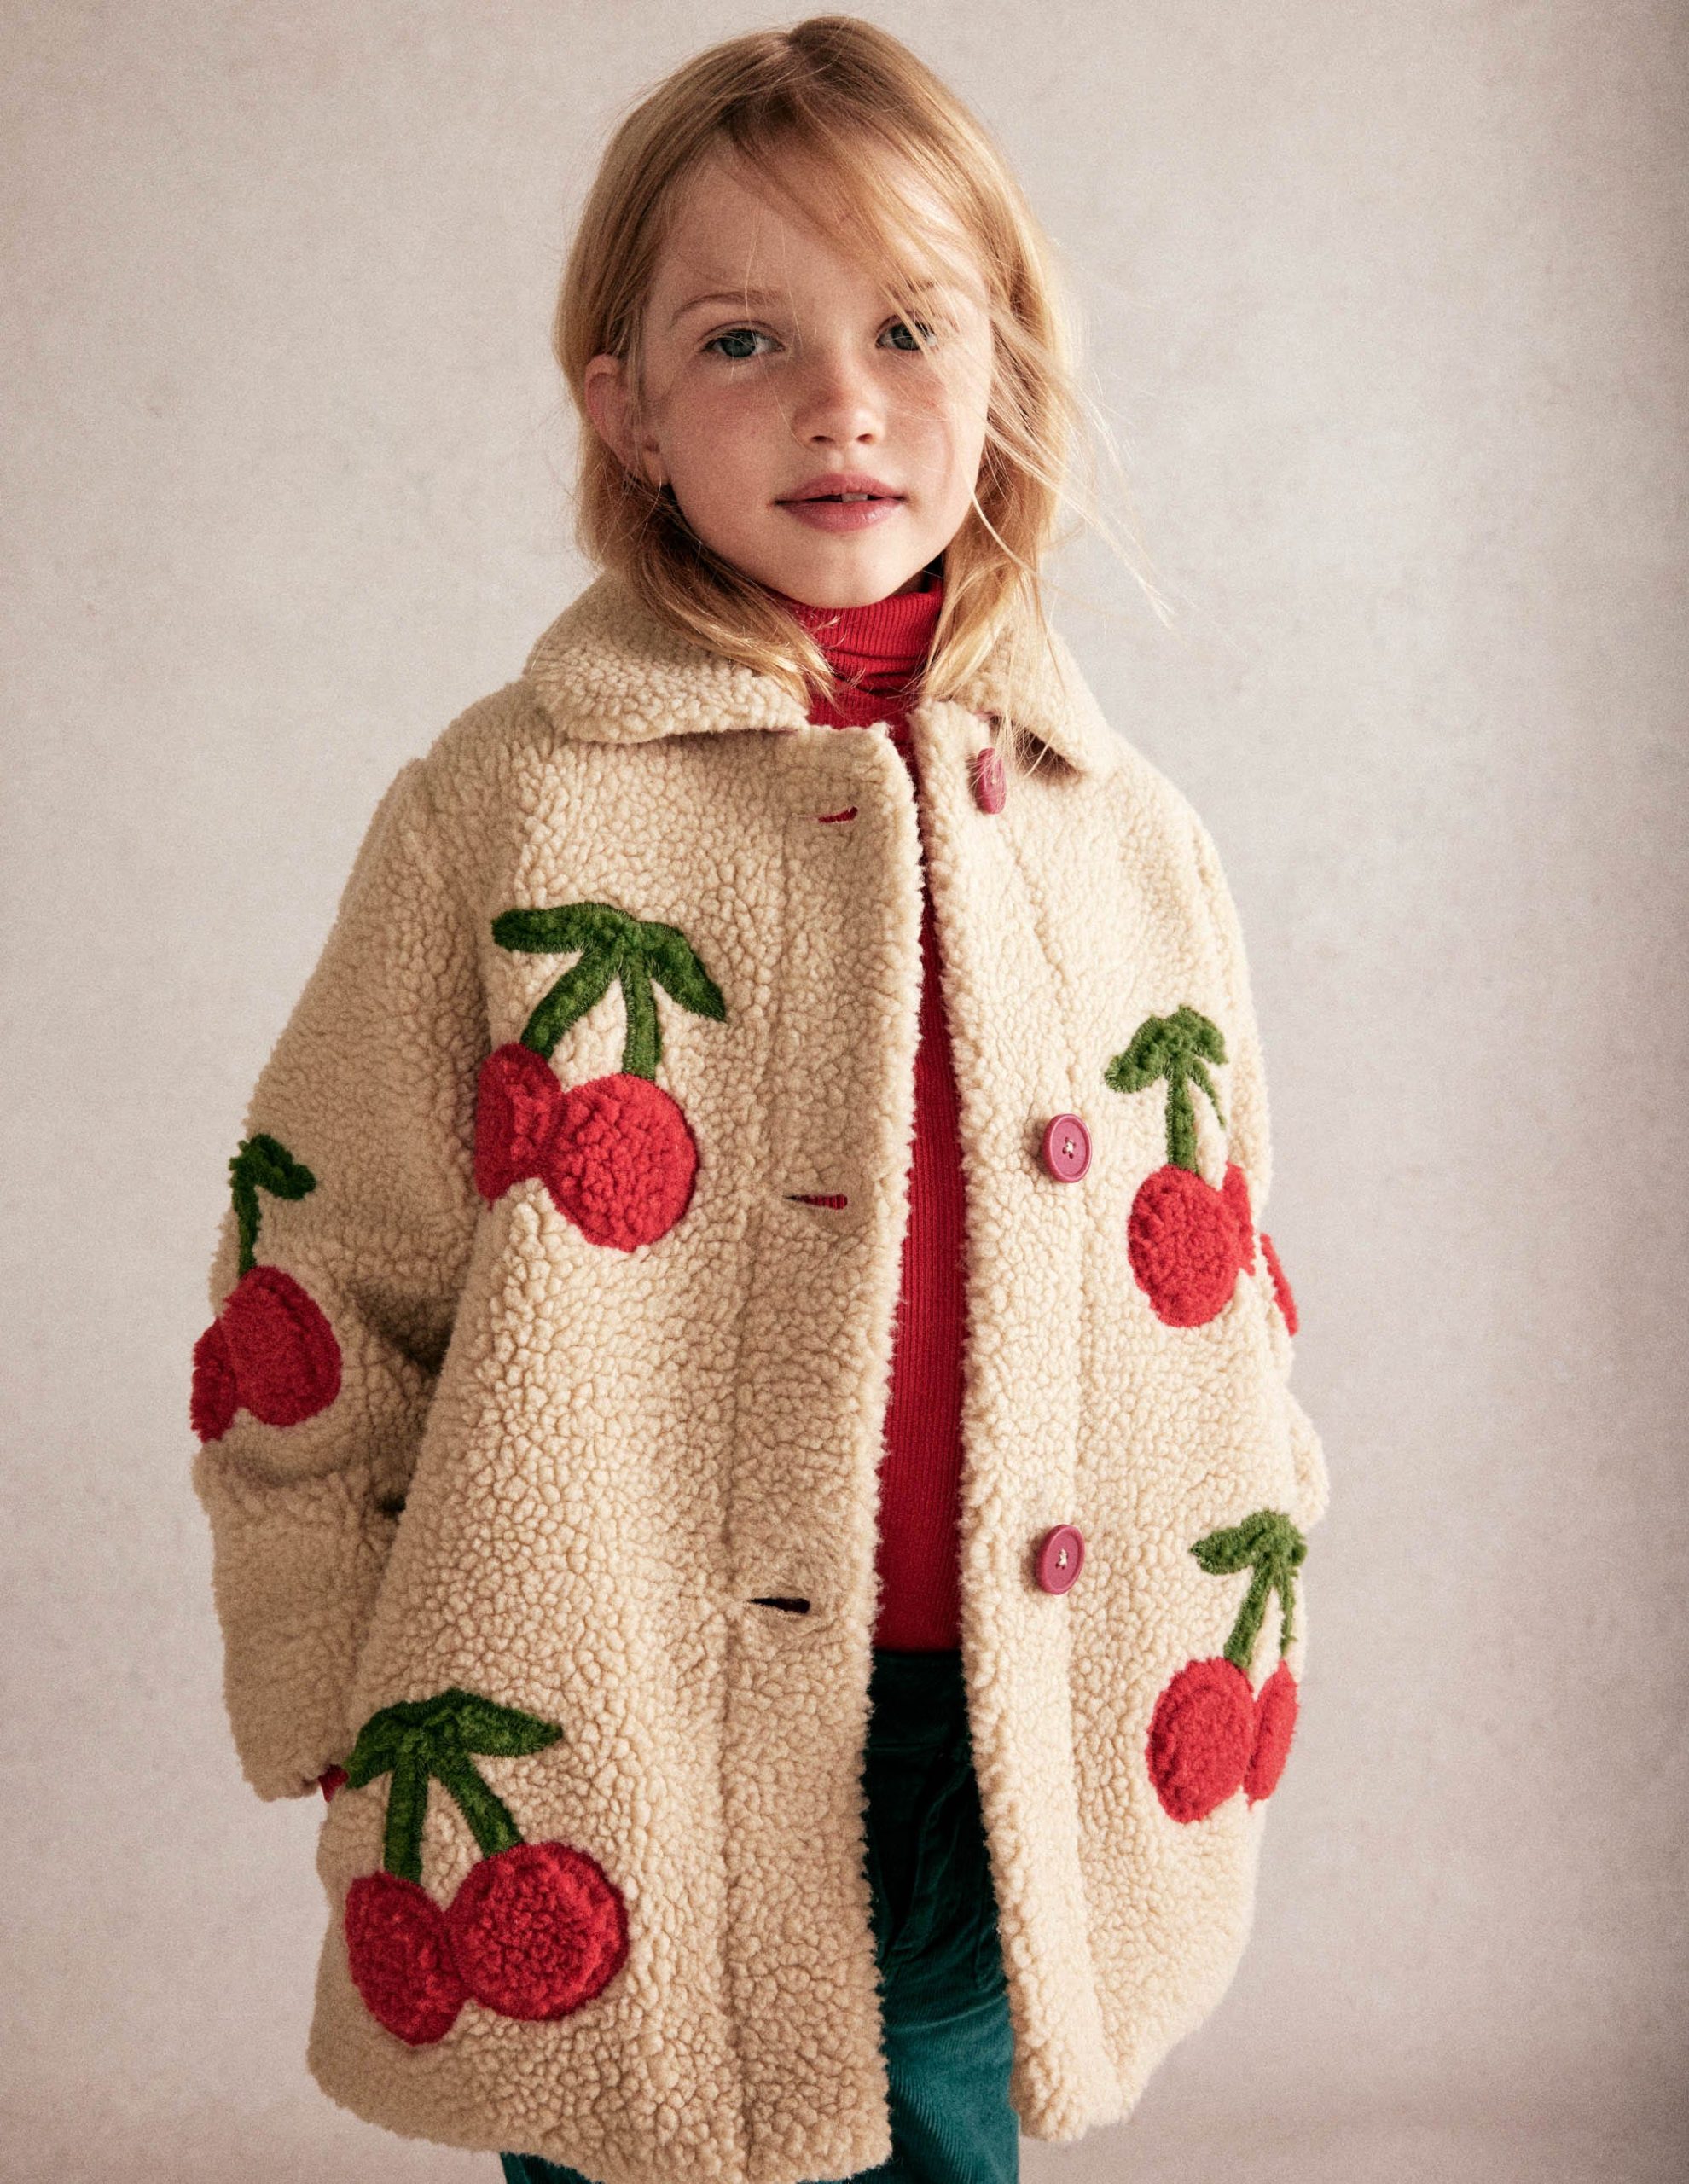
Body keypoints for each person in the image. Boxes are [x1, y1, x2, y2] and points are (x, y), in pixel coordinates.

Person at [189, 18, 1328, 2184]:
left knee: (944, 2139)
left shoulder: (1126, 837)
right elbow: (318, 1270)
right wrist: (341, 1684)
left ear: (1006, 368)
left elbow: (1224, 1295)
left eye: (910, 326)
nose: (841, 402)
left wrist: (1254, 1589)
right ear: (622, 403)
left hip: (1002, 1737)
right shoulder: (506, 810)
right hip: (608, 1736)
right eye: (743, 338)